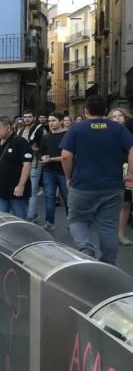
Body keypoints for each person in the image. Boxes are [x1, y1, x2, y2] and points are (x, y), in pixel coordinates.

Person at [61, 96, 133, 264]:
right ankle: (108, 262)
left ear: (86, 111)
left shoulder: (77, 129)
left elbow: (65, 156)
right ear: (106, 111)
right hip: (113, 186)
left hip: (82, 185)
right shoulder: (118, 129)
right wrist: (130, 172)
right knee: (108, 225)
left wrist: (68, 177)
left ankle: (86, 247)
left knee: (77, 219)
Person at [0, 115, 33, 219]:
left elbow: (27, 164)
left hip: (16, 190)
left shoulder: (20, 142)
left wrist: (21, 185)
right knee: (1, 219)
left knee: (20, 220)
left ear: (8, 127)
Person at [39, 113, 69, 232]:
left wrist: (51, 158)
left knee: (67, 198)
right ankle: (49, 222)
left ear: (61, 121)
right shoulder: (46, 137)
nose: (51, 123)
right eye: (49, 121)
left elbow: (69, 155)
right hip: (49, 171)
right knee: (49, 197)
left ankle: (72, 222)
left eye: (54, 120)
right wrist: (43, 157)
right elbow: (41, 152)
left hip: (64, 171)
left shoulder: (68, 135)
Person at [109, 109, 133, 245]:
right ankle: (110, 231)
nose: (117, 118)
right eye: (114, 117)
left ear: (125, 117)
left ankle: (121, 234)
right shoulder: (107, 134)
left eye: (120, 116)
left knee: (125, 203)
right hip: (112, 170)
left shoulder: (130, 133)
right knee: (111, 203)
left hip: (128, 170)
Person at [17, 110, 46, 221]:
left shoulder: (40, 130)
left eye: (29, 117)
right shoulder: (20, 131)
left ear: (34, 117)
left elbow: (44, 147)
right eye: (25, 117)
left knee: (33, 191)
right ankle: (26, 213)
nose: (27, 119)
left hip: (34, 164)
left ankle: (31, 215)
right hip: (21, 165)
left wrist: (35, 149)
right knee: (22, 188)